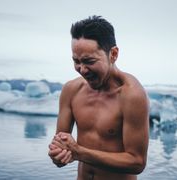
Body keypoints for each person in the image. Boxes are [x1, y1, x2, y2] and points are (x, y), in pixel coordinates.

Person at [48, 15, 149, 180]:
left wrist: (78, 152)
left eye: (89, 61)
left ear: (113, 54)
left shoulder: (132, 95)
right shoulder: (71, 90)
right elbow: (61, 147)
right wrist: (58, 154)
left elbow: (137, 162)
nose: (82, 69)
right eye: (76, 61)